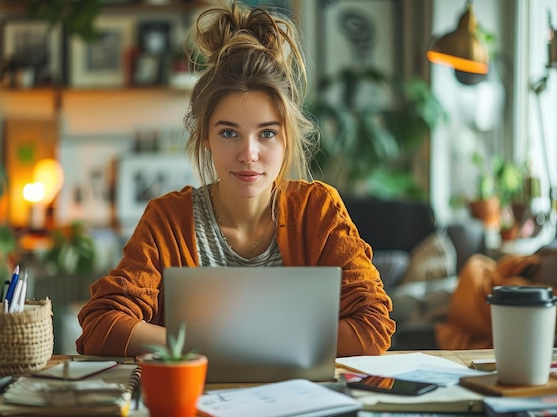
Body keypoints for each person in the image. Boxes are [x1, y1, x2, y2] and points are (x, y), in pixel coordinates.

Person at [76, 0, 395, 358]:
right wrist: (205, 347)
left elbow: (373, 326)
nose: (248, 154)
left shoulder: (318, 210)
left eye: (267, 134)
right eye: (229, 133)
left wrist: (243, 343)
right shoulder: (169, 220)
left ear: (287, 136)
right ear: (206, 138)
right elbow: (101, 326)